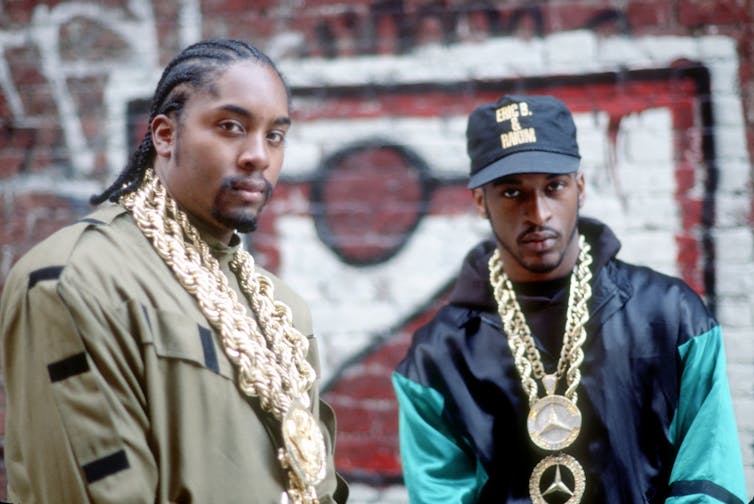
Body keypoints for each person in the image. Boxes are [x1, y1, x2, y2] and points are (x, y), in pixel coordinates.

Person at [1, 39, 347, 503]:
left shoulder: (284, 313)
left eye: (274, 135)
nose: (258, 155)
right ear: (165, 135)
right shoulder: (76, 280)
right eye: (230, 126)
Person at [392, 94, 748, 503]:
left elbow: (710, 481)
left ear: (579, 187)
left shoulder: (671, 316)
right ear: (479, 201)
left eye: (553, 186)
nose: (538, 213)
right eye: (512, 193)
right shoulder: (437, 355)